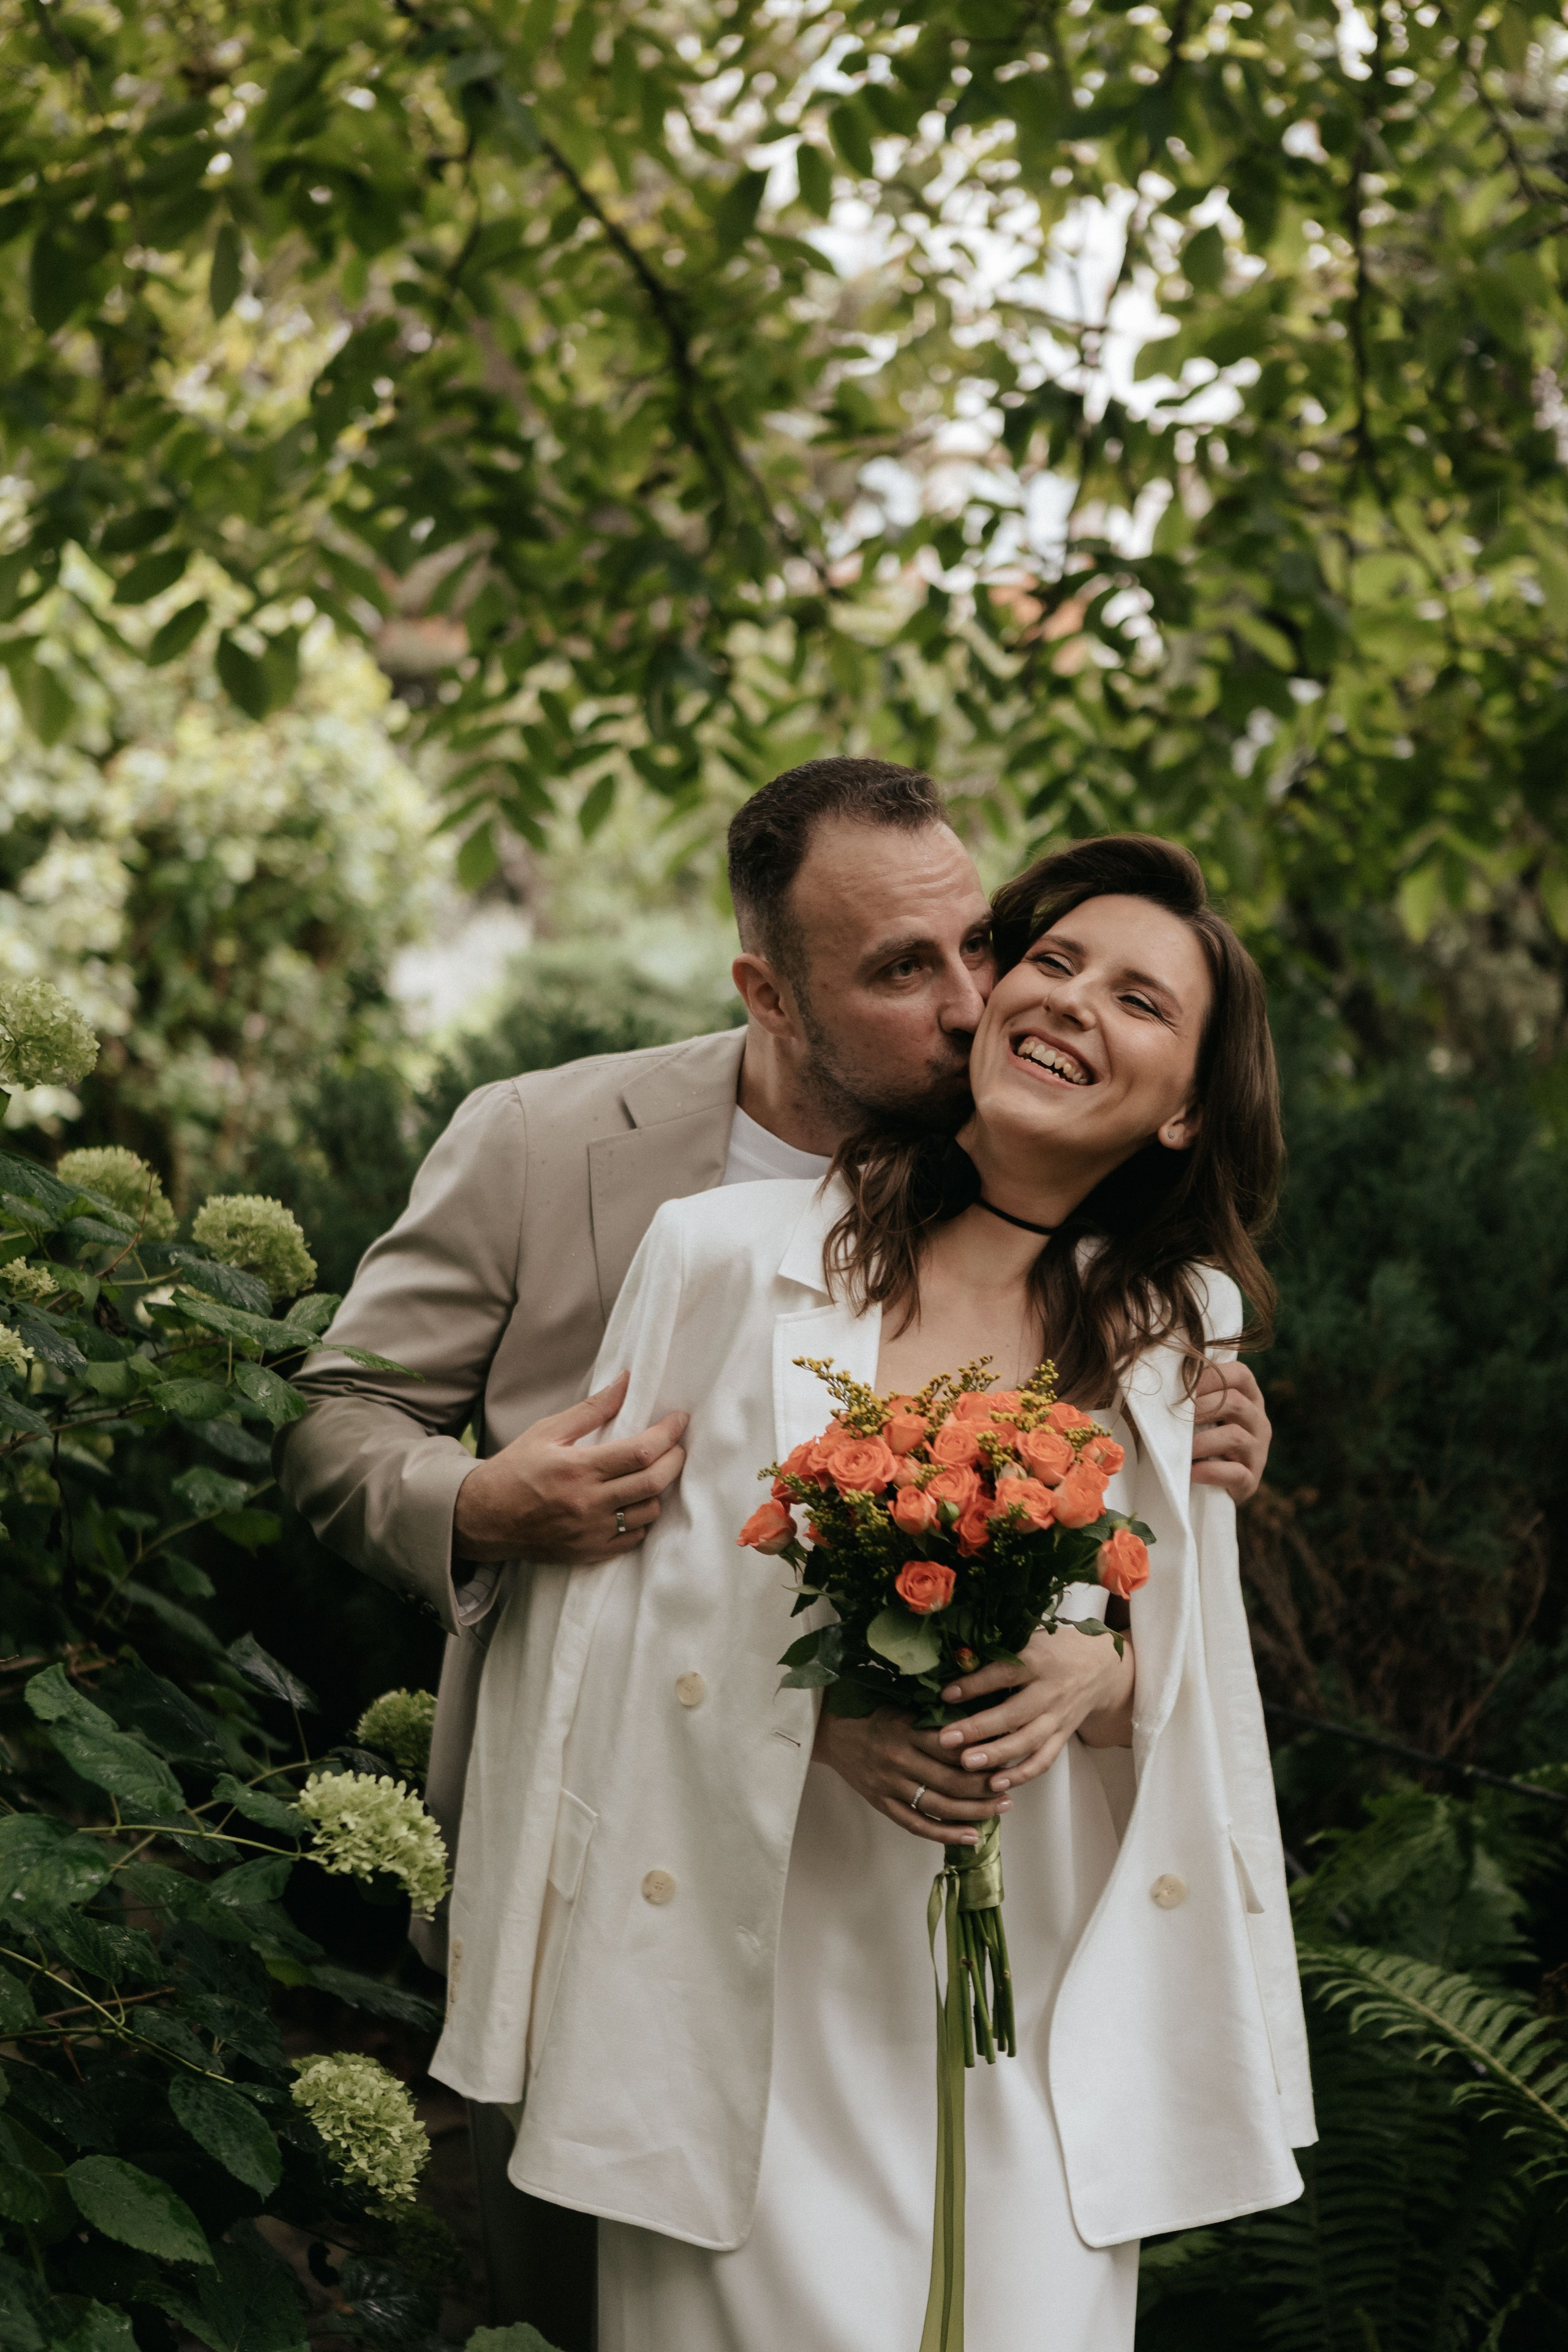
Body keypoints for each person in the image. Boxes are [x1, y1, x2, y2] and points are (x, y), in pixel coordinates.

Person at [277, 763, 1275, 2342]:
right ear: (769, 988)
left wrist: (1122, 1628)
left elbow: (1189, 1648)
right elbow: (356, 1425)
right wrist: (485, 1505)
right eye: (902, 972)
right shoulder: (631, 1196)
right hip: (673, 1873)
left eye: (982, 944)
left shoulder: (1164, 1318)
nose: (974, 1005)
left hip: (1018, 1940)